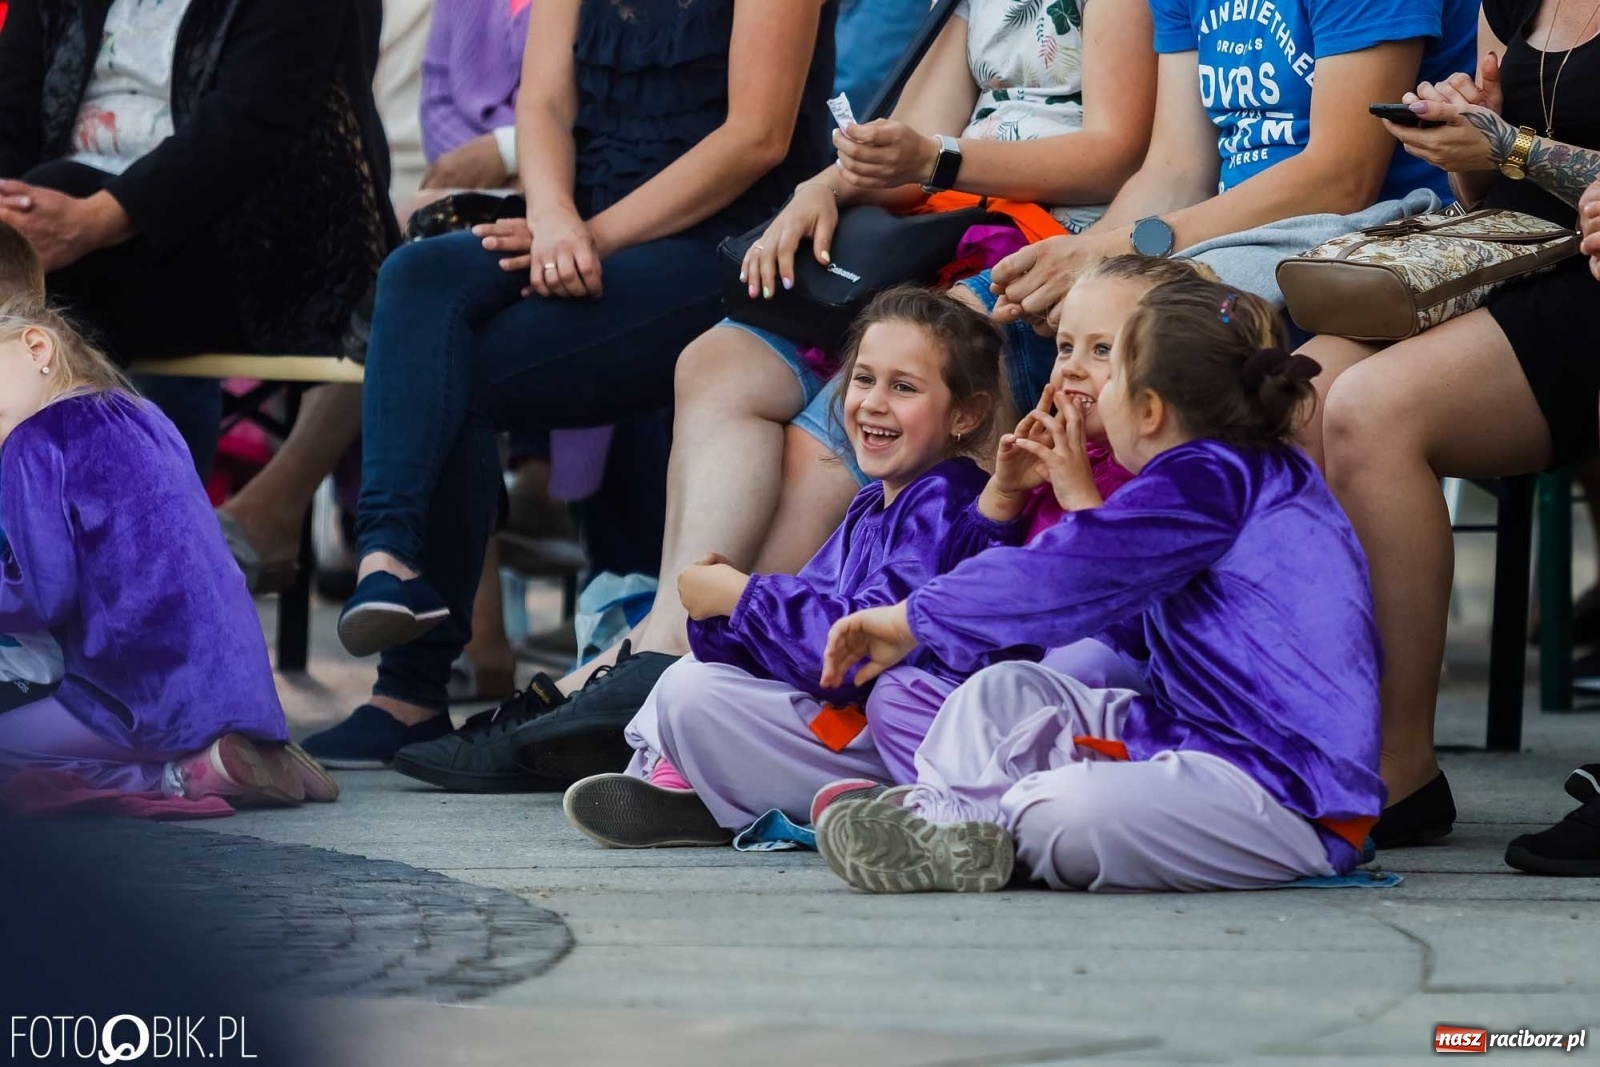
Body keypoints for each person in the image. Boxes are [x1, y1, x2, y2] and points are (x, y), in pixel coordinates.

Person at [496, 0, 1163, 789]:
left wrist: (939, 162)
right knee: (715, 362)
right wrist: (824, 187)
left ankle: (688, 655)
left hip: (1034, 254)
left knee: (841, 422)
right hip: (932, 244)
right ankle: (668, 645)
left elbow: (1115, 154)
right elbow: (901, 144)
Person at [298, 0, 840, 770]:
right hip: (579, 226)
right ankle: (387, 558)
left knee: (459, 371)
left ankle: (411, 692)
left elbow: (756, 139)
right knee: (419, 273)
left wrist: (594, 234)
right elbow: (544, 101)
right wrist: (553, 214)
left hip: (722, 247)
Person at [813, 278, 1383, 894]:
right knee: (1001, 691)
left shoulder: (1212, 480)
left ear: (1148, 411)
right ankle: (946, 821)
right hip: (1184, 742)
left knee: (1066, 806)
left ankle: (972, 825)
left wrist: (909, 621)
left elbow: (1062, 575)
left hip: (1292, 797)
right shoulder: (1221, 472)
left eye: (1113, 373)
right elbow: (1119, 613)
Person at [556, 287, 1016, 846]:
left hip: (906, 732)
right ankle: (699, 789)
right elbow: (799, 634)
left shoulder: (946, 499)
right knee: (694, 676)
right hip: (852, 717)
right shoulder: (874, 503)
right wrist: (725, 624)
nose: (872, 402)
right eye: (864, 379)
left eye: (904, 387)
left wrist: (741, 597)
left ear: (966, 414)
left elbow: (854, 651)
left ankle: (775, 797)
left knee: (690, 690)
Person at [1307, 0, 1600, 847]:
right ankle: (1340, 743)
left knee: (1372, 408)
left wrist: (1509, 146)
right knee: (1306, 389)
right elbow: (1489, 185)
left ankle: (1395, 767)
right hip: (1514, 255)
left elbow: (1522, 157)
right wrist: (1465, 135)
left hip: (1588, 282)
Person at [978, 0, 1476, 465]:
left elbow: (1342, 178)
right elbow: (1176, 170)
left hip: (1369, 239)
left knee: (1138, 334)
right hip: (1238, 236)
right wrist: (1079, 264)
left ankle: (1149, 538)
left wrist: (1112, 256)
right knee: (973, 330)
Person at [0, 0, 399, 476]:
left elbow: (247, 125)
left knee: (49, 281)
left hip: (251, 247)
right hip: (58, 224)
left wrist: (90, 220)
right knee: (37, 275)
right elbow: (10, 109)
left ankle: (80, 523)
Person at [0, 299, 336, 811]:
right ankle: (261, 751)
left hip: (140, 702)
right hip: (239, 688)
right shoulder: (147, 415)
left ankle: (184, 774)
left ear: (36, 347)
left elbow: (42, 596)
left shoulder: (34, 442)